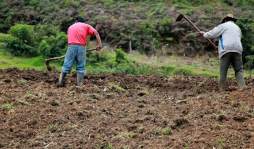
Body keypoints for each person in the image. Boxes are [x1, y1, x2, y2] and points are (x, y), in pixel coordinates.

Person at [200, 14, 246, 90]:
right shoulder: (238, 28)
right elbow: (237, 38)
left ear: (225, 20)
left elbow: (212, 33)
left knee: (223, 71)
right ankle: (242, 87)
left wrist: (204, 34)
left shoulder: (223, 25)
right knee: (238, 70)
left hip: (226, 49)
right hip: (238, 49)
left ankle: (222, 89)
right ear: (233, 20)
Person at [57, 16, 102, 87]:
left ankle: (60, 82)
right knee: (81, 66)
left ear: (76, 21)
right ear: (83, 21)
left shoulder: (70, 27)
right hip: (81, 47)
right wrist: (99, 44)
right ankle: (79, 85)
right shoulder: (86, 26)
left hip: (71, 46)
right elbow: (96, 33)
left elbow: (70, 37)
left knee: (66, 64)